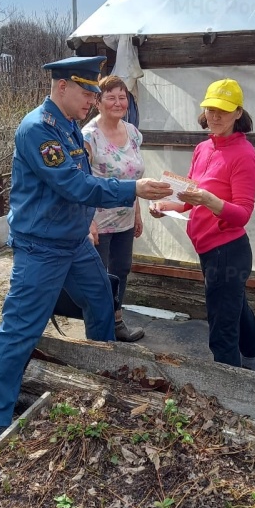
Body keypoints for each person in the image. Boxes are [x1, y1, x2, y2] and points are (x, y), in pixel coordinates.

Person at [0, 56, 172, 444]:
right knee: (20, 330)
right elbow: (75, 187)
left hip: (74, 241)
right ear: (62, 86)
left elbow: (83, 180)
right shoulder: (37, 130)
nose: (92, 100)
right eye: (87, 92)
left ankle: (101, 378)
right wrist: (133, 189)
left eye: (95, 92)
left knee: (100, 302)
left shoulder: (70, 128)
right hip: (42, 247)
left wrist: (94, 218)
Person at [150, 78, 255, 371]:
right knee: (234, 305)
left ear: (238, 112)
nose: (215, 116)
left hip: (227, 250)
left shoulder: (244, 155)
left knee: (222, 326)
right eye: (211, 109)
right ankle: (252, 358)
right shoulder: (203, 148)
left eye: (223, 110)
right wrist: (164, 205)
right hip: (209, 249)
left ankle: (229, 391)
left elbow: (242, 215)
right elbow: (188, 200)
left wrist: (211, 200)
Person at [82, 75, 145, 342]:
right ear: (98, 102)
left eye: (123, 97)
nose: (118, 102)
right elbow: (80, 182)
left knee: (121, 270)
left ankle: (117, 322)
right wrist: (87, 221)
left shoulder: (132, 132)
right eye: (111, 96)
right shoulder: (89, 136)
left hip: (126, 218)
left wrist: (138, 212)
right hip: (99, 220)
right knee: (100, 276)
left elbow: (135, 178)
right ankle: (99, 330)